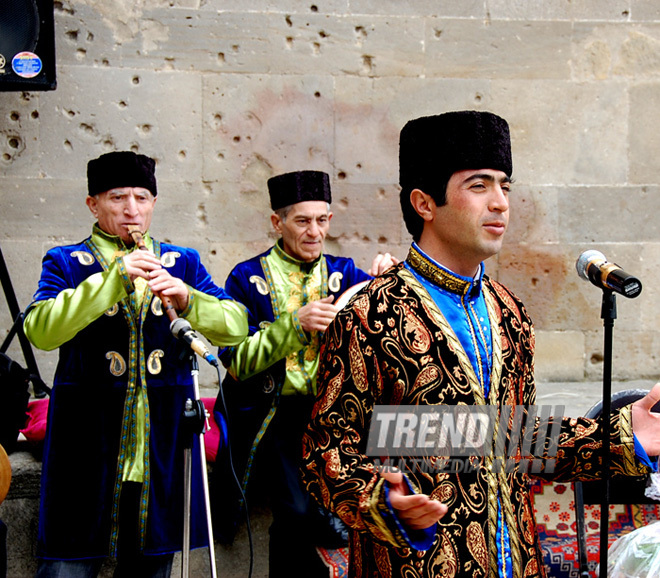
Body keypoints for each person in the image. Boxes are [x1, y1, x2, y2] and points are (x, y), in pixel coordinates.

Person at [300, 111, 660, 578]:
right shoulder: (371, 314)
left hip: (515, 559)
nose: (501, 203)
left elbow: (515, 440)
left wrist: (619, 435)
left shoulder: (511, 314)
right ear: (425, 203)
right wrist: (378, 499)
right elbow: (325, 446)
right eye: (478, 186)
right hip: (416, 565)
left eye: (505, 186)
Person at [23, 151, 248, 578]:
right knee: (67, 569)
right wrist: (114, 279)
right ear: (93, 204)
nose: (132, 210)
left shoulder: (183, 262)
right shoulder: (67, 262)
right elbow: (41, 330)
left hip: (161, 444)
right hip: (87, 444)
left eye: (142, 198)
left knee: (153, 567)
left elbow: (236, 325)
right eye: (117, 198)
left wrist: (187, 299)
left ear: (154, 203)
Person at [211, 170, 397, 576]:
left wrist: (389, 280)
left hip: (335, 415)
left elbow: (388, 333)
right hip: (271, 413)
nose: (315, 232)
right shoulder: (247, 278)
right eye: (302, 221)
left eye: (323, 220)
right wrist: (293, 326)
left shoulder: (346, 272)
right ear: (278, 223)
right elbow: (236, 361)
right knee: (298, 511)